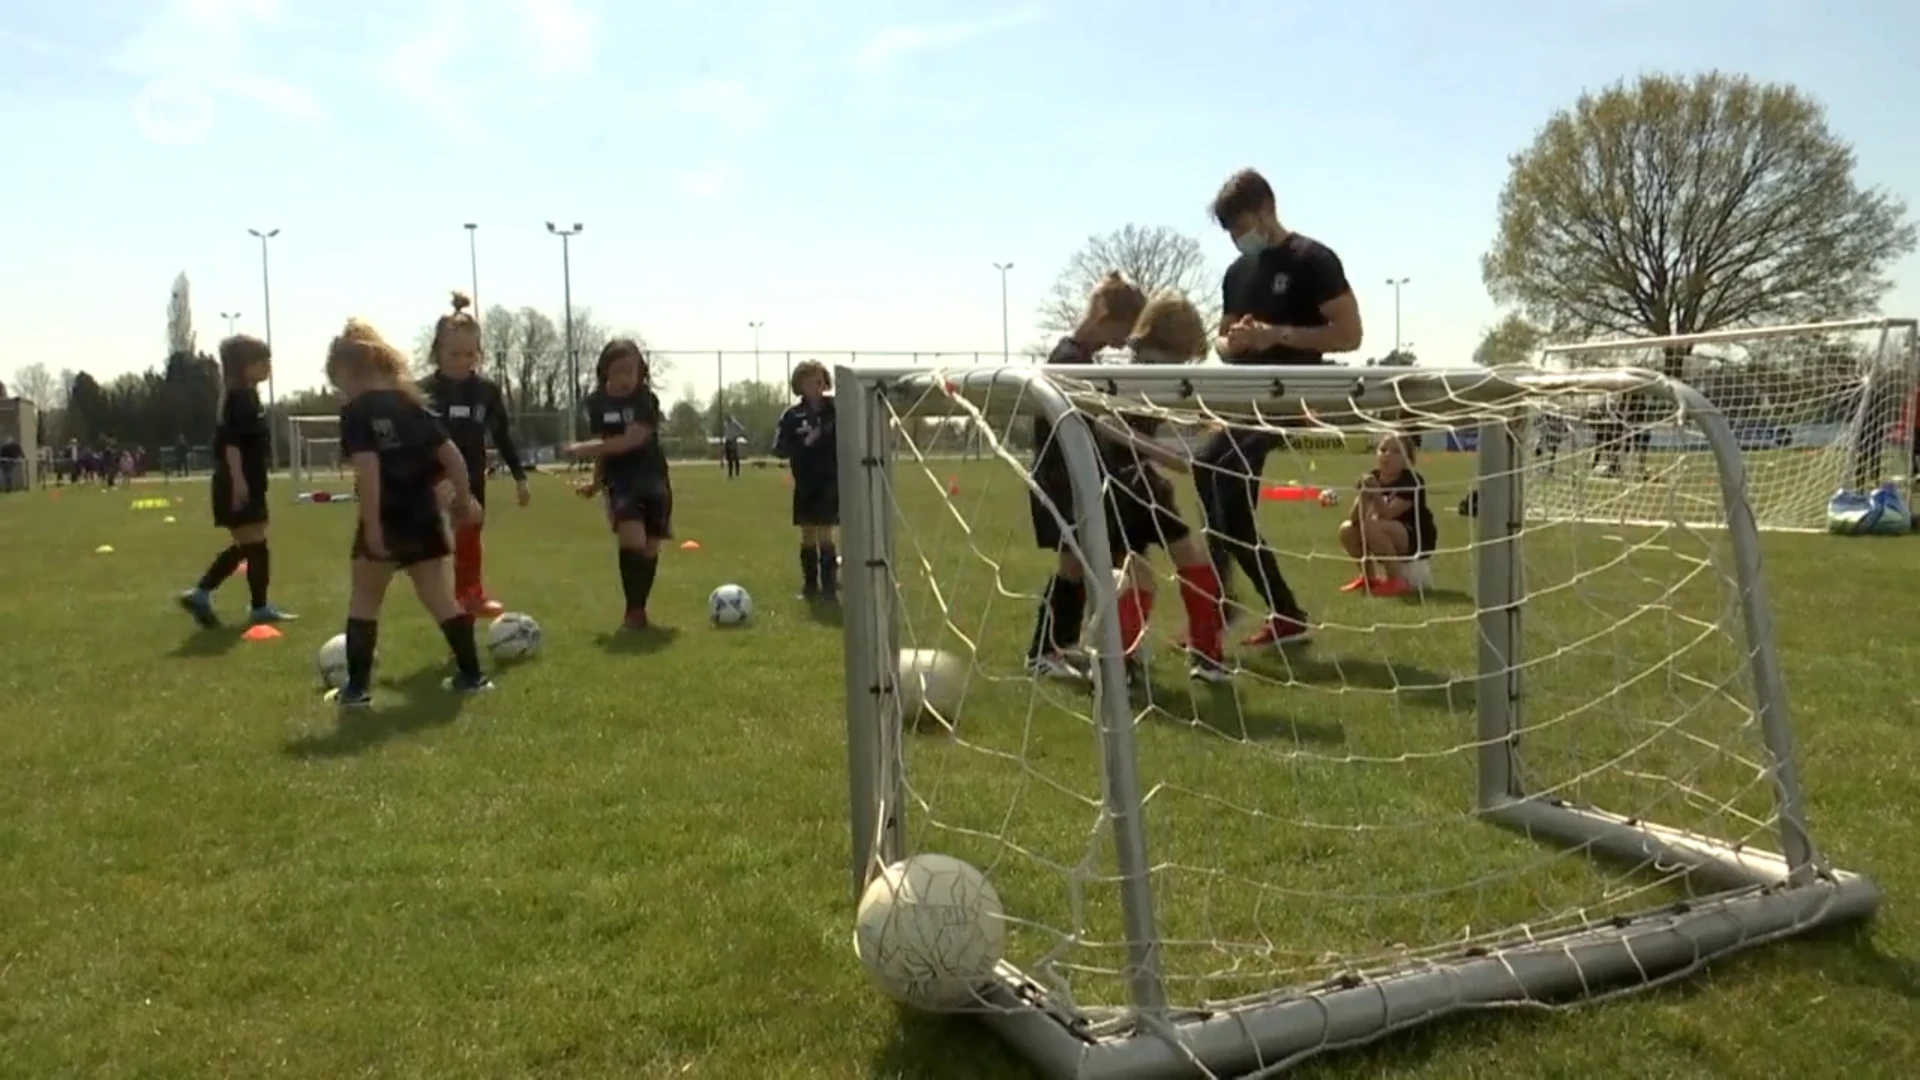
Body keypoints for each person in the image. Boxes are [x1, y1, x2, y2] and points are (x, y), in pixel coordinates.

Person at [1203, 167, 1364, 645]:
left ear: (1266, 208)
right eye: (1230, 232)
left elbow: (1351, 334)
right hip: (1244, 400)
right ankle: (1272, 611)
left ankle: (1221, 607)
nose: (1237, 238)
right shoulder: (1237, 273)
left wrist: (1278, 336)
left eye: (1240, 225)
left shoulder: (1312, 260)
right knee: (1218, 487)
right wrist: (1235, 342)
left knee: (1211, 465)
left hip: (1291, 399)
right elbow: (1221, 339)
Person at [325, 318, 492, 707]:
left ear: (351, 372)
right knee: (440, 599)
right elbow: (452, 457)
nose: (341, 393)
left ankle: (357, 690)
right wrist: (464, 500)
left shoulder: (356, 412)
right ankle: (472, 675)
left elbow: (368, 471)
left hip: (387, 514)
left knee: (365, 599)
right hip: (424, 515)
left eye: (340, 384)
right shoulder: (413, 405)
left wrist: (372, 527)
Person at [1091, 290, 1230, 683]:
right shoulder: (1133, 371)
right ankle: (1197, 657)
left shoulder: (1149, 367)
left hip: (1132, 481)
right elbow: (1110, 426)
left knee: (1161, 569)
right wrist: (1168, 458)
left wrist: (1206, 424)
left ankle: (1129, 661)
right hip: (1126, 484)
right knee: (1177, 563)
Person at [1024, 272, 1147, 680]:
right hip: (1062, 478)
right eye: (1124, 328)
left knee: (1089, 560)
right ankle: (1043, 651)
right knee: (1074, 563)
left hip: (1081, 477)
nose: (1125, 338)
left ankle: (1065, 644)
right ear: (1106, 316)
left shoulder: (1083, 357)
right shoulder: (1068, 358)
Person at [419, 290, 529, 616]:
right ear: (437, 352)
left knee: (471, 530)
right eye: (455, 354)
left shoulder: (486, 392)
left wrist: (520, 478)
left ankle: (469, 595)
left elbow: (502, 435)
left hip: (473, 473)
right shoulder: (423, 392)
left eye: (470, 354)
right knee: (453, 534)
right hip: (433, 478)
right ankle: (457, 599)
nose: (463, 361)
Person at [178, 335, 296, 628]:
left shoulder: (242, 394)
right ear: (245, 366)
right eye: (263, 362)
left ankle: (211, 595)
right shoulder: (240, 396)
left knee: (251, 544)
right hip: (237, 480)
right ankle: (240, 603)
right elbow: (230, 443)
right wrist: (239, 480)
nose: (269, 367)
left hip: (245, 479)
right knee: (254, 543)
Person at [568, 340, 671, 631]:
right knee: (632, 539)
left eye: (631, 371)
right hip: (621, 482)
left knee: (650, 547)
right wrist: (595, 482)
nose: (626, 378)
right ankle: (633, 613)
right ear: (605, 372)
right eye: (618, 371)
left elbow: (632, 440)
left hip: (653, 478)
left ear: (641, 372)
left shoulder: (646, 401)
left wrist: (582, 449)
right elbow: (605, 446)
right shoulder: (597, 403)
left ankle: (639, 609)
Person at [773, 360, 840, 601]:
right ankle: (810, 585)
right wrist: (803, 444)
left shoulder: (835, 411)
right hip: (805, 483)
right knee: (808, 535)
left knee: (826, 534)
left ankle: (830, 585)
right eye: (812, 381)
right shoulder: (792, 416)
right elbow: (779, 448)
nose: (818, 386)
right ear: (800, 385)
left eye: (821, 381)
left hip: (829, 482)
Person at [1337, 434, 1436, 597]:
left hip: (1414, 536)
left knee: (1371, 526)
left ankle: (1396, 580)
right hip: (1382, 531)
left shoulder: (1411, 480)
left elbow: (1387, 514)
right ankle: (1369, 578)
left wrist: (1374, 492)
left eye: (1396, 452)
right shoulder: (1374, 476)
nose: (1387, 455)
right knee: (1347, 529)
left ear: (1407, 459)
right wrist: (1363, 494)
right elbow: (1355, 518)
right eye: (1383, 450)